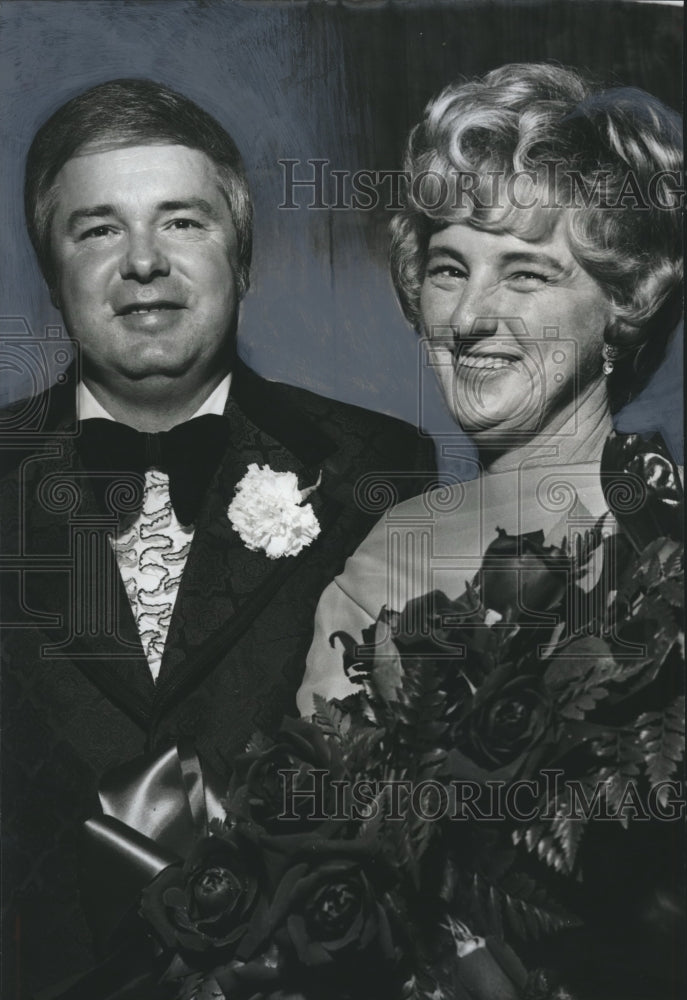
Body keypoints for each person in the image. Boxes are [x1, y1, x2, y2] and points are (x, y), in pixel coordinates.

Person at [0, 78, 435, 996]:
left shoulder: (377, 466)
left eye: (183, 222)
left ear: (244, 260)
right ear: (52, 273)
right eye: (99, 228)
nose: (144, 261)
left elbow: (402, 789)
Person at [299, 63, 683, 996]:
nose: (470, 318)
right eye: (446, 268)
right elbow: (325, 863)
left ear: (624, 300)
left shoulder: (667, 540)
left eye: (526, 272)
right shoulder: (384, 551)